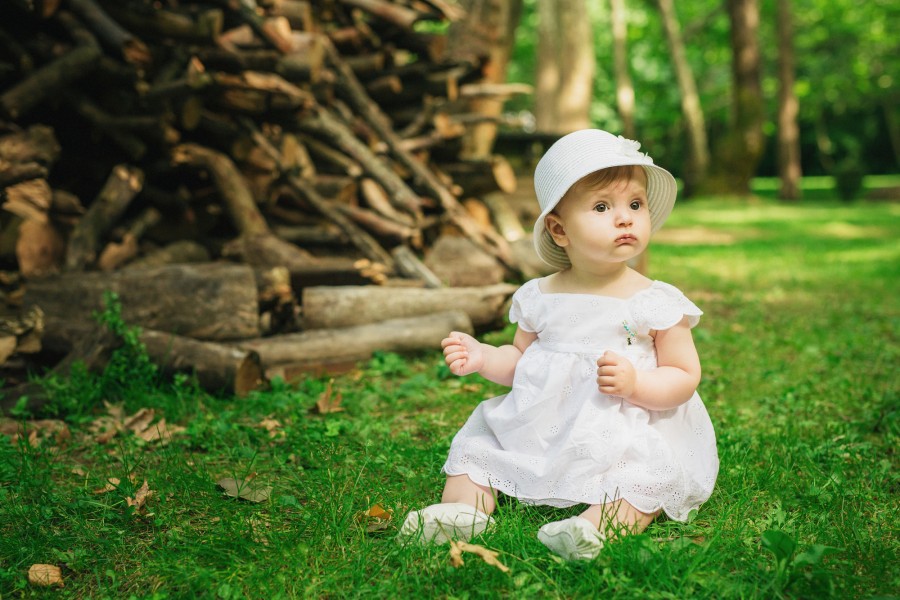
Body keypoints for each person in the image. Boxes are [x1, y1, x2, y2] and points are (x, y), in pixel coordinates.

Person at [397, 129, 719, 560]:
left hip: (627, 425)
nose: (625, 218)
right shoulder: (539, 296)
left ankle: (593, 527)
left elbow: (684, 375)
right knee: (480, 449)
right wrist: (483, 357)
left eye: (635, 205)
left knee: (645, 475)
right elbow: (520, 361)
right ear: (559, 229)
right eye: (603, 207)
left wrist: (636, 384)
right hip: (543, 423)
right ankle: (460, 510)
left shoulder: (656, 301)